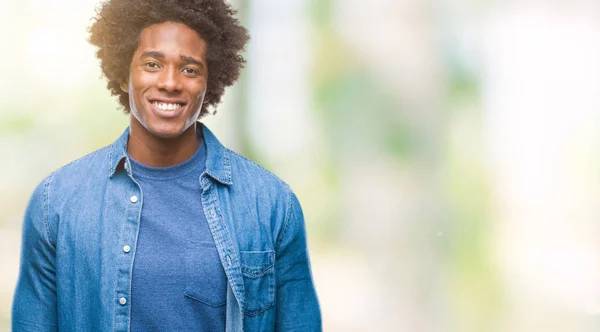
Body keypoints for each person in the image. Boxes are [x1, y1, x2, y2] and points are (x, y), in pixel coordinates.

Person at [11, 0, 322, 331]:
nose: (170, 82)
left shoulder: (270, 204)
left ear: (210, 82)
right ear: (122, 75)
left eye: (189, 69)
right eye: (151, 64)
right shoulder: (56, 203)